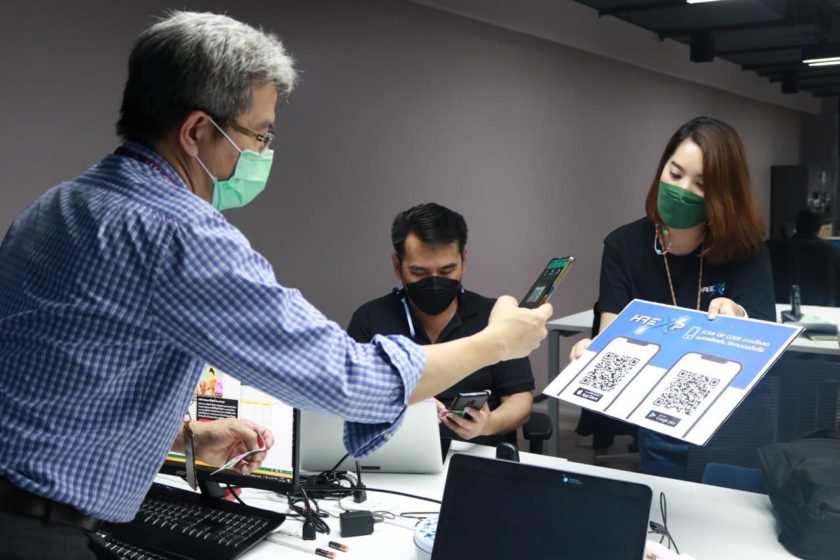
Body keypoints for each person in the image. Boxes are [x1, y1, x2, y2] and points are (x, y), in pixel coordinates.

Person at [0, 12, 551, 558]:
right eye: (259, 135)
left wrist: (184, 437)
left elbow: (65, 384)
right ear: (196, 131)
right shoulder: (180, 232)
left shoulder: (58, 206)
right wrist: (496, 342)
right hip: (35, 530)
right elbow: (348, 379)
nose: (264, 153)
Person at [570, 116, 775, 480]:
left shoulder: (745, 249)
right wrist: (594, 355)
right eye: (675, 174)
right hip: (660, 421)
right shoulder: (623, 246)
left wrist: (739, 317)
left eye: (701, 184)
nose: (682, 190)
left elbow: (763, 343)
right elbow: (613, 336)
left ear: (724, 194)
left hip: (732, 424)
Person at [348, 203, 535, 447]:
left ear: (463, 260)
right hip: (397, 452)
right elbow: (351, 398)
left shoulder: (495, 317)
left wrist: (489, 424)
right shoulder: (370, 319)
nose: (434, 283)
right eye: (419, 272)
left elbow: (520, 400)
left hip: (477, 453)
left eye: (447, 271)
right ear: (397, 265)